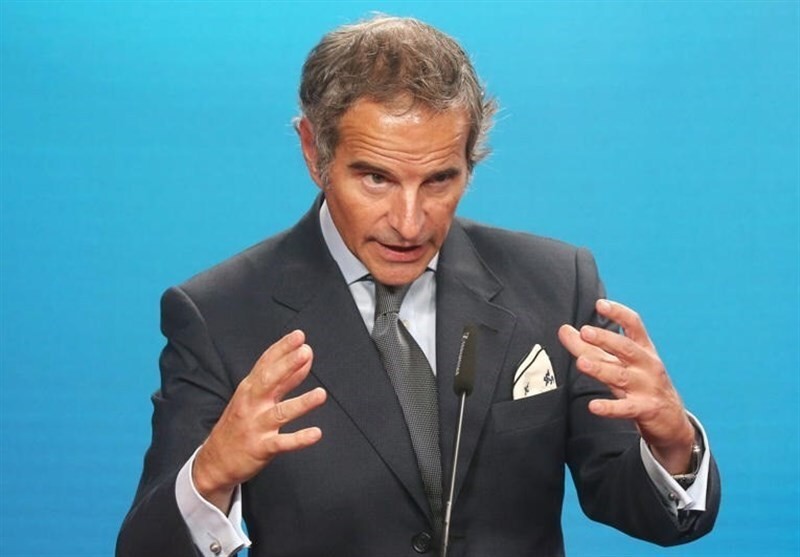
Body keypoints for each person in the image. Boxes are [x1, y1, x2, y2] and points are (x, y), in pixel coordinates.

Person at [117, 15, 720, 557]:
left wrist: (674, 444)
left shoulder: (558, 282)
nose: (409, 223)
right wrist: (212, 474)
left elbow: (648, 513)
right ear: (313, 151)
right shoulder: (220, 314)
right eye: (376, 179)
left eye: (438, 180)